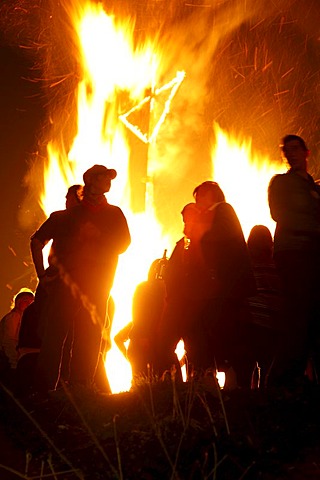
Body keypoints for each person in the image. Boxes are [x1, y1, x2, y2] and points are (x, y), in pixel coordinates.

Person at [30, 165, 131, 396]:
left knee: (76, 337)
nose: (108, 181)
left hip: (94, 287)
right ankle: (64, 390)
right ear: (91, 181)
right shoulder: (68, 216)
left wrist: (43, 274)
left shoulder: (109, 214)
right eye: (103, 176)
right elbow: (36, 242)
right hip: (83, 287)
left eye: (109, 177)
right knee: (68, 336)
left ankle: (71, 390)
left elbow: (125, 244)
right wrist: (42, 275)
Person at [268, 134, 320, 388]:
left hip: (312, 255)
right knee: (298, 314)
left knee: (311, 315)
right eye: (287, 151)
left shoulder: (315, 188)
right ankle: (283, 379)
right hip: (294, 253)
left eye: (296, 149)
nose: (291, 154)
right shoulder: (281, 183)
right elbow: (279, 214)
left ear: (306, 152)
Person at [193, 181, 256, 387]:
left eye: (198, 197)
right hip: (228, 286)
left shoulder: (223, 210)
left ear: (209, 194)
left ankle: (235, 379)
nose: (197, 203)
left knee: (228, 331)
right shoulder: (219, 213)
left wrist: (200, 233)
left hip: (230, 286)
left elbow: (220, 236)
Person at [114, 255, 167, 382]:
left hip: (147, 343)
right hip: (144, 344)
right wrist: (142, 336)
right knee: (145, 389)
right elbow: (138, 313)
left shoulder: (154, 290)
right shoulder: (145, 289)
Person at [244, 225, 284, 388]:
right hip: (275, 322)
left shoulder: (246, 265)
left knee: (248, 366)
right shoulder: (278, 264)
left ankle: (248, 398)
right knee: (268, 364)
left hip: (251, 320)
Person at [0, 289, 34, 388]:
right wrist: (15, 362)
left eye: (31, 302)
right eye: (25, 301)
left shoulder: (23, 319)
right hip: (7, 361)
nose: (28, 304)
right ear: (18, 302)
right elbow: (9, 341)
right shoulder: (13, 317)